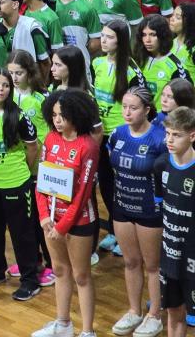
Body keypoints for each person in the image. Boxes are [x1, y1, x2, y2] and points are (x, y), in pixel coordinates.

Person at [31, 89, 101, 337]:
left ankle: (88, 331)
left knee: (81, 275)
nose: (57, 120)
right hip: (52, 219)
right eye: (54, 115)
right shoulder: (51, 139)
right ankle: (63, 324)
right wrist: (43, 217)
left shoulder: (88, 146)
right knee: (60, 270)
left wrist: (62, 227)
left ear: (76, 114)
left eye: (62, 115)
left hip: (79, 221)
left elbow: (82, 195)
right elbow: (42, 182)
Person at [0, 68, 41, 301]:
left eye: (5, 85)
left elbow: (32, 148)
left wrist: (23, 170)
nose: (1, 89)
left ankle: (30, 279)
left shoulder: (19, 116)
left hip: (15, 183)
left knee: (22, 233)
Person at [107, 85, 167, 337]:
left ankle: (155, 315)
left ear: (147, 109)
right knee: (130, 262)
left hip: (149, 210)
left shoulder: (160, 139)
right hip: (122, 206)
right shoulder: (117, 134)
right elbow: (112, 162)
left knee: (153, 265)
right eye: (124, 107)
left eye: (133, 108)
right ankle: (134, 310)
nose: (127, 112)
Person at [155, 106, 195, 337]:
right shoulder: (161, 165)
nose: (169, 140)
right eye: (168, 133)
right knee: (174, 313)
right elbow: (162, 205)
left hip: (193, 256)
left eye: (176, 135)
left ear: (192, 136)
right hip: (170, 254)